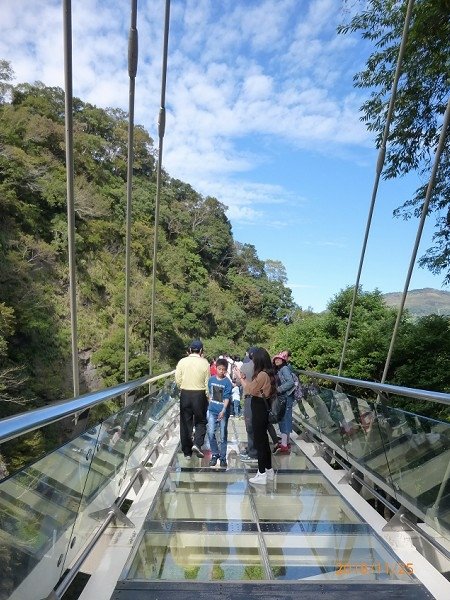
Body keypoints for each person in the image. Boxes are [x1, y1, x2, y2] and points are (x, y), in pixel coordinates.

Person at [239, 347, 276, 485]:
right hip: (263, 407)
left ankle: (261, 473)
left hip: (259, 408)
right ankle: (269, 469)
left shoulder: (261, 375)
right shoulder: (268, 374)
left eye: (254, 360)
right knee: (264, 442)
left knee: (260, 441)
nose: (252, 363)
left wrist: (240, 378)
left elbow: (249, 389)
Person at [175, 339, 210, 458]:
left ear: (189, 350)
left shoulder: (182, 362)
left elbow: (177, 379)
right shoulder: (205, 363)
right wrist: (208, 397)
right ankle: (197, 444)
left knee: (185, 422)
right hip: (199, 394)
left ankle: (187, 452)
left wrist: (182, 387)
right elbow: (207, 383)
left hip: (185, 393)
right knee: (201, 421)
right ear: (201, 351)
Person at [207, 358, 232, 468]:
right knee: (211, 433)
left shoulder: (227, 382)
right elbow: (209, 393)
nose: (221, 371)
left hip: (222, 412)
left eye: (223, 370)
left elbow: (226, 397)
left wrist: (223, 410)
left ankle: (222, 457)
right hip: (212, 410)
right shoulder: (211, 380)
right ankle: (214, 454)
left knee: (223, 435)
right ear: (216, 368)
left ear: (226, 370)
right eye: (219, 369)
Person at [272, 351, 296, 454]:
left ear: (283, 360)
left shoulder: (284, 369)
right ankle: (286, 441)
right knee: (285, 417)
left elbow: (290, 382)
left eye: (279, 359)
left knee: (284, 418)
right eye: (275, 359)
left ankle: (284, 445)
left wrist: (279, 389)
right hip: (285, 397)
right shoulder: (280, 369)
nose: (277, 361)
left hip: (286, 397)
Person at [238, 347, 258, 463]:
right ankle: (254, 449)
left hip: (249, 399)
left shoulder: (245, 367)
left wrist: (239, 376)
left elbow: (238, 382)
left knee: (250, 426)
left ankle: (253, 453)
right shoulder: (263, 368)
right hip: (260, 399)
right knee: (258, 426)